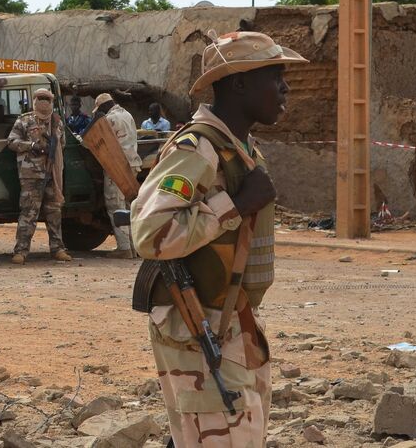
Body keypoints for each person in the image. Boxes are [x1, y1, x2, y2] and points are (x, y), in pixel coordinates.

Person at [131, 31, 308, 447]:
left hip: (234, 323)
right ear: (239, 82)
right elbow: (150, 234)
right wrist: (236, 205)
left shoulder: (239, 148)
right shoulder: (197, 148)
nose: (285, 87)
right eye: (274, 75)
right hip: (200, 324)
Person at [6, 87, 71, 265]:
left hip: (53, 174)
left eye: (47, 99)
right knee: (29, 213)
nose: (44, 102)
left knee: (54, 213)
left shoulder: (56, 121)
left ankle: (57, 249)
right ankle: (21, 251)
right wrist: (31, 146)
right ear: (34, 100)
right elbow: (12, 142)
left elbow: (62, 143)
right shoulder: (25, 120)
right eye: (40, 98)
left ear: (51, 101)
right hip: (31, 175)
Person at [93, 92, 142, 258]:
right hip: (133, 164)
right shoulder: (127, 115)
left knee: (115, 205)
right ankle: (135, 247)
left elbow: (99, 141)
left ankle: (124, 248)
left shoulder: (110, 119)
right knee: (129, 206)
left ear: (104, 106)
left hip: (117, 166)